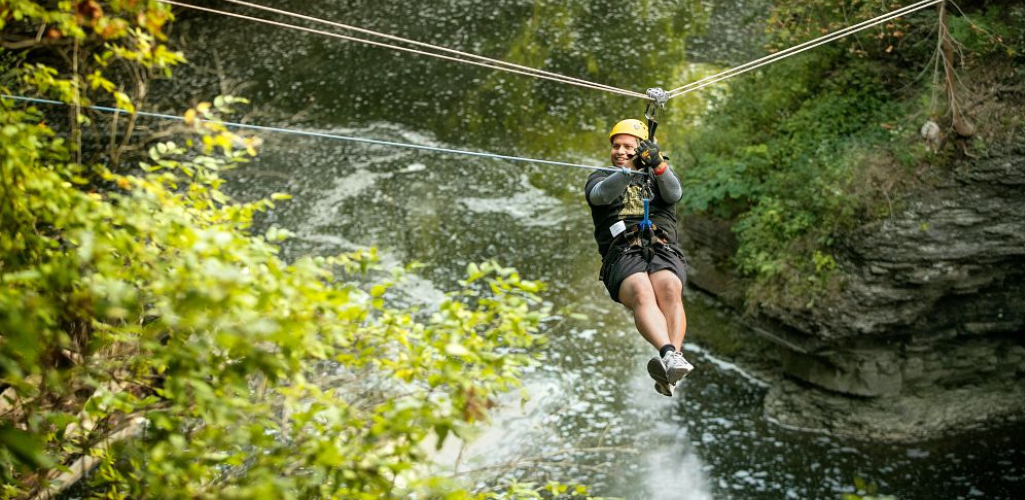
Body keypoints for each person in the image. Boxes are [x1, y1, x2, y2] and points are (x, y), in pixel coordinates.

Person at [584, 118, 693, 397]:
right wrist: (629, 171)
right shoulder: (600, 178)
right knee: (643, 291)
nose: (620, 151)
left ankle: (672, 361)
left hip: (661, 244)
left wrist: (657, 164)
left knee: (669, 288)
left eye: (627, 147)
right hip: (622, 252)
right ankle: (669, 352)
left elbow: (675, 193)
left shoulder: (658, 177)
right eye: (615, 146)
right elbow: (600, 196)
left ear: (641, 148)